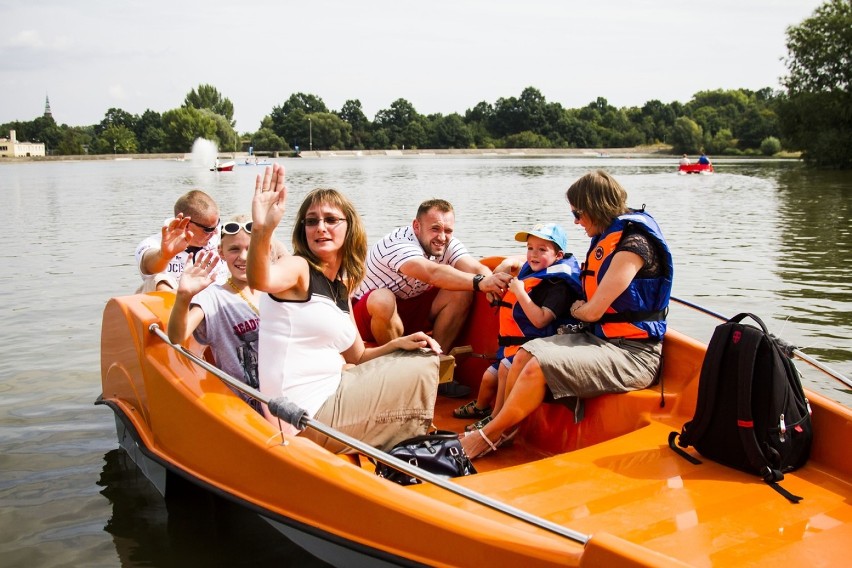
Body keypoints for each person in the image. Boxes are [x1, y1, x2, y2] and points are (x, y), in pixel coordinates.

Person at [461, 170, 673, 459]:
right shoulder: (608, 236)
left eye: (578, 212)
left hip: (634, 354)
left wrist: (576, 309)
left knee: (537, 363)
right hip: (602, 340)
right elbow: (549, 262)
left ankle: (487, 436)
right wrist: (511, 261)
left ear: (596, 206)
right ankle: (505, 430)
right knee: (522, 354)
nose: (575, 221)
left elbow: (593, 310)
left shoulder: (633, 247)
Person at [247, 164, 442, 453]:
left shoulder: (340, 288)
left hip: (334, 393)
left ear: (349, 227)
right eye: (311, 221)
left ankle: (403, 443)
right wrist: (263, 229)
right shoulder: (299, 269)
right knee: (424, 366)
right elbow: (261, 279)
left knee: (417, 354)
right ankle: (411, 450)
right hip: (302, 417)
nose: (320, 227)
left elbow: (359, 355)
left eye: (330, 219)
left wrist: (401, 343)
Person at [352, 199, 513, 397]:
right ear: (416, 226)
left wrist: (491, 283)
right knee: (382, 299)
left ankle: (435, 367)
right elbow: (432, 273)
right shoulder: (397, 244)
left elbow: (475, 268)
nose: (442, 237)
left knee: (462, 289)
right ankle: (402, 374)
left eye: (448, 230)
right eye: (435, 228)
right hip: (370, 320)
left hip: (409, 311)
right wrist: (480, 282)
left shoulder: (445, 242)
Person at [453, 222, 582, 432]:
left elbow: (540, 321)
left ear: (558, 256)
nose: (533, 254)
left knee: (504, 368)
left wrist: (520, 292)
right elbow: (522, 264)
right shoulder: (530, 272)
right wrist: (506, 268)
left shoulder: (558, 287)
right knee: (490, 376)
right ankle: (484, 410)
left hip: (536, 349)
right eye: (530, 248)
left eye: (542, 249)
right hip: (512, 347)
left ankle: (496, 419)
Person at [167, 215, 262, 413]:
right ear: (221, 252)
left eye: (250, 248)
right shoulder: (213, 297)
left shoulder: (275, 289)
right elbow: (177, 336)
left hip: (285, 393)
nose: (243, 257)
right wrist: (184, 296)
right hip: (248, 406)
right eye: (234, 249)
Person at [135, 189, 228, 293]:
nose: (215, 232)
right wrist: (164, 256)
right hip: (174, 303)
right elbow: (148, 265)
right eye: (208, 229)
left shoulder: (222, 237)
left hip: (215, 299)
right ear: (186, 224)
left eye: (217, 224)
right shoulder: (153, 243)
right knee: (159, 281)